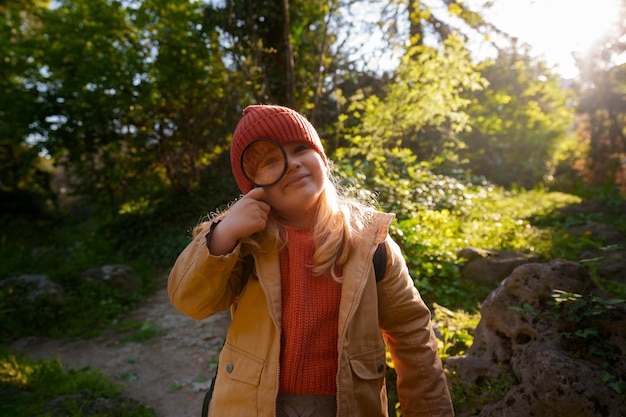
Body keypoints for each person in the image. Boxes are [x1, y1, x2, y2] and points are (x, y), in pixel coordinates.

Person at [168, 104, 454, 417]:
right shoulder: (241, 241)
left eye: (301, 148)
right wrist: (222, 236)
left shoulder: (372, 243)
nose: (291, 164)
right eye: (270, 161)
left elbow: (413, 336)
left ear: (322, 157)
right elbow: (190, 301)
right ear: (253, 187)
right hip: (251, 407)